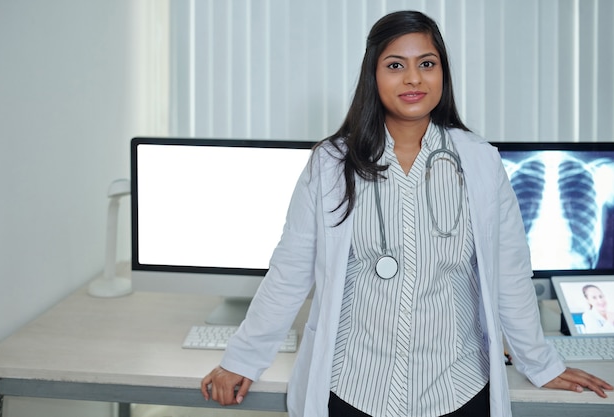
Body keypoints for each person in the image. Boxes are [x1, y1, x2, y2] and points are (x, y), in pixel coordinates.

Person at [201, 10, 612, 417]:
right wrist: (242, 359)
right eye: (395, 65)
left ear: (442, 75)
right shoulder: (330, 164)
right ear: (373, 75)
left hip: (457, 388)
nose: (413, 79)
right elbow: (290, 272)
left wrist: (541, 363)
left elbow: (510, 274)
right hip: (353, 386)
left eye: (427, 64)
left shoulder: (480, 162)